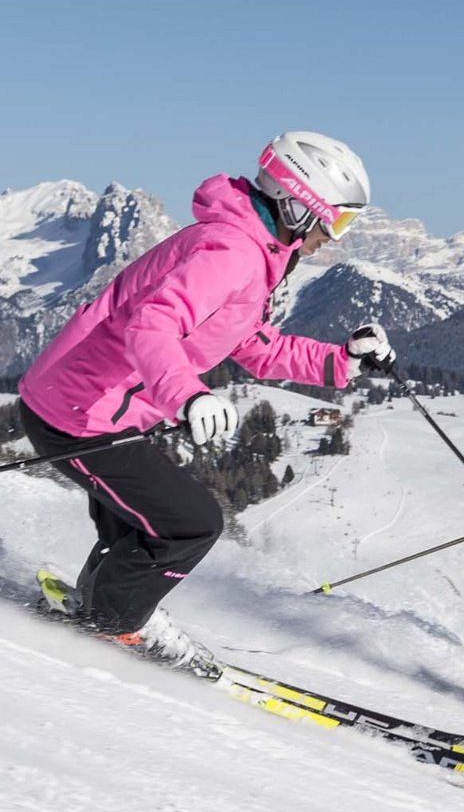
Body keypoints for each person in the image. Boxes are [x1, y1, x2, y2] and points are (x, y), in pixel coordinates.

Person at [18, 131, 398, 675]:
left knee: (142, 524)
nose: (335, 238)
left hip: (87, 406)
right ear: (298, 205)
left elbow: (249, 342)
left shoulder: (253, 248)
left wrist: (341, 362)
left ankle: (103, 607)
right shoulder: (232, 253)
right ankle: (114, 621)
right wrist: (188, 395)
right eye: (335, 222)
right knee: (190, 524)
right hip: (80, 414)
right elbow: (153, 326)